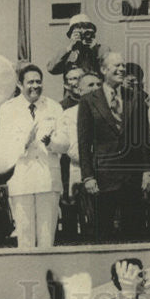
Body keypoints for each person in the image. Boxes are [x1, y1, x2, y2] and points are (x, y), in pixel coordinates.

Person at [77, 52, 150, 244]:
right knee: (103, 234)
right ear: (103, 70)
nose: (121, 69)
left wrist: (147, 171)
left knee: (133, 231)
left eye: (122, 66)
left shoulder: (134, 98)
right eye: (116, 66)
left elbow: (143, 139)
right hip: (103, 178)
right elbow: (84, 143)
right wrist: (88, 176)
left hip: (132, 177)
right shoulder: (88, 101)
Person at [0, 64, 68, 249]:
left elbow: (65, 143)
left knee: (47, 239)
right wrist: (24, 143)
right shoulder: (8, 108)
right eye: (30, 82)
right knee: (25, 239)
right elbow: (3, 147)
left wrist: (51, 142)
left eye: (38, 81)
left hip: (48, 179)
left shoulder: (53, 107)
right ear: (20, 84)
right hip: (22, 180)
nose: (35, 86)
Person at [57, 71, 102, 243]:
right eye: (90, 85)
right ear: (79, 89)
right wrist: (94, 164)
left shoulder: (110, 109)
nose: (95, 89)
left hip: (107, 175)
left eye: (98, 85)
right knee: (82, 224)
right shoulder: (69, 114)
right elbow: (73, 148)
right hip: (80, 172)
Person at [47, 12, 109, 78]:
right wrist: (69, 48)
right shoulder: (67, 54)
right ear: (71, 35)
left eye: (87, 31)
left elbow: (109, 70)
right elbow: (52, 69)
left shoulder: (102, 50)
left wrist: (94, 50)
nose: (84, 35)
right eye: (78, 32)